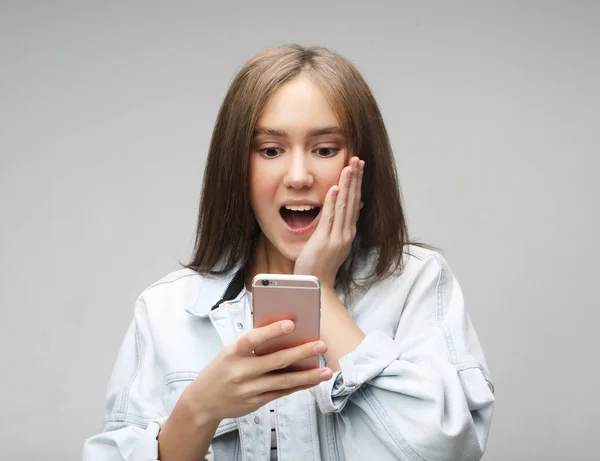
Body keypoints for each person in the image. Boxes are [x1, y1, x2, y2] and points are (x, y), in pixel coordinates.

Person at [82, 44, 495, 461]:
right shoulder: (167, 310)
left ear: (362, 163)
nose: (299, 177)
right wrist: (198, 410)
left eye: (325, 149)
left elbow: (449, 450)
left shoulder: (415, 284)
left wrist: (318, 291)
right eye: (271, 150)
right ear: (237, 169)